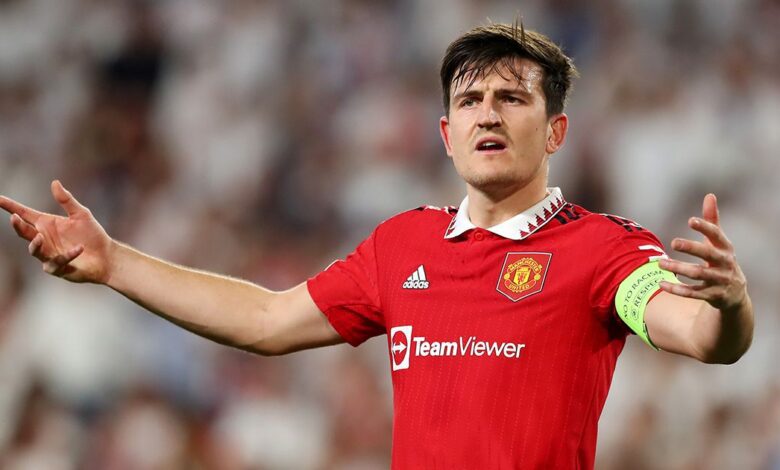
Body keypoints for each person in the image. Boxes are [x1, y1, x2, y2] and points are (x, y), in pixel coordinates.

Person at [0, 23, 753, 469]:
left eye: (512, 98)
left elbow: (698, 335)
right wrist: (114, 263)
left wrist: (729, 309)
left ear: (555, 130)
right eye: (469, 100)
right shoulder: (403, 245)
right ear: (446, 134)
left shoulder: (602, 249)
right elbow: (266, 321)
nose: (487, 113)